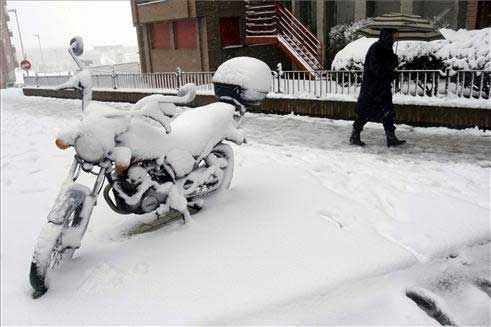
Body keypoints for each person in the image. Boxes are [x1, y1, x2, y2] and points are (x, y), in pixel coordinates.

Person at [350, 28, 406, 147]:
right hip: (372, 89)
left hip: (383, 88)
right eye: (394, 36)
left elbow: (386, 70)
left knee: (388, 112)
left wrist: (392, 68)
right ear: (388, 36)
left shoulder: (387, 49)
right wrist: (391, 63)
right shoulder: (376, 49)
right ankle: (355, 136)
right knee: (365, 113)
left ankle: (391, 138)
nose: (395, 38)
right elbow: (377, 70)